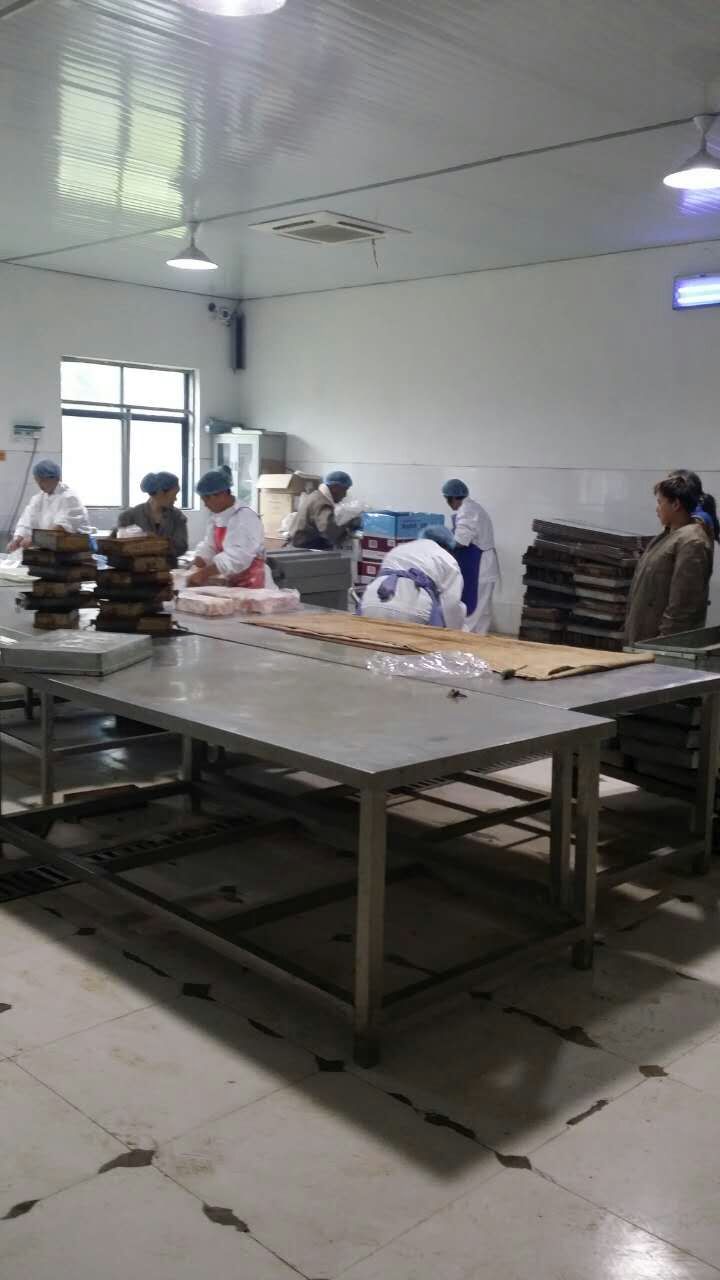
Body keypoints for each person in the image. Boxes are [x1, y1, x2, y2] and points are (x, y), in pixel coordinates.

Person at [624, 470, 717, 645]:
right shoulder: (667, 536)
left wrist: (664, 646)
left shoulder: (692, 542)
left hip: (660, 647)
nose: (657, 508)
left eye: (660, 502)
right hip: (642, 641)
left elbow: (682, 607)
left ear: (675, 504)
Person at [359, 525, 467, 629]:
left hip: (372, 600)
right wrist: (456, 631)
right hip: (412, 608)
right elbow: (451, 605)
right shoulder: (447, 559)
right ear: (448, 546)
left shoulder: (398, 549)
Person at [187, 466, 268, 587]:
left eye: (207, 499)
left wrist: (204, 574)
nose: (205, 505)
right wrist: (199, 560)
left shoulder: (244, 517)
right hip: (232, 581)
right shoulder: (217, 516)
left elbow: (238, 557)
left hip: (253, 583)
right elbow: (210, 545)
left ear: (223, 494)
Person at [442, 479, 498, 633]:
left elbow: (460, 541)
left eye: (447, 500)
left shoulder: (467, 510)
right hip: (482, 565)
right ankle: (479, 640)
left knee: (474, 610)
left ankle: (468, 642)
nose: (449, 504)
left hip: (479, 567)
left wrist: (442, 543)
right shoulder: (472, 507)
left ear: (453, 498)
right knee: (482, 610)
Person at [7, 459, 89, 551]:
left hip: (75, 548)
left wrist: (34, 539)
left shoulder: (69, 498)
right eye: (37, 480)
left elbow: (62, 527)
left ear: (55, 478)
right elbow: (27, 521)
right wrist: (17, 540)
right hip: (52, 547)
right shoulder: (38, 499)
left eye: (43, 480)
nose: (40, 484)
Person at [115, 471, 188, 561]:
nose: (175, 499)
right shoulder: (128, 516)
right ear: (160, 493)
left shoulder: (177, 517)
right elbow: (118, 546)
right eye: (174, 494)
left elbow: (181, 547)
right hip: (135, 567)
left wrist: (155, 542)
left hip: (166, 567)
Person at [290, 470, 356, 549]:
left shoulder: (316, 495)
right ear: (335, 487)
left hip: (300, 542)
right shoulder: (322, 502)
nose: (345, 495)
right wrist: (348, 524)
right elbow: (329, 531)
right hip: (305, 546)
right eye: (344, 490)